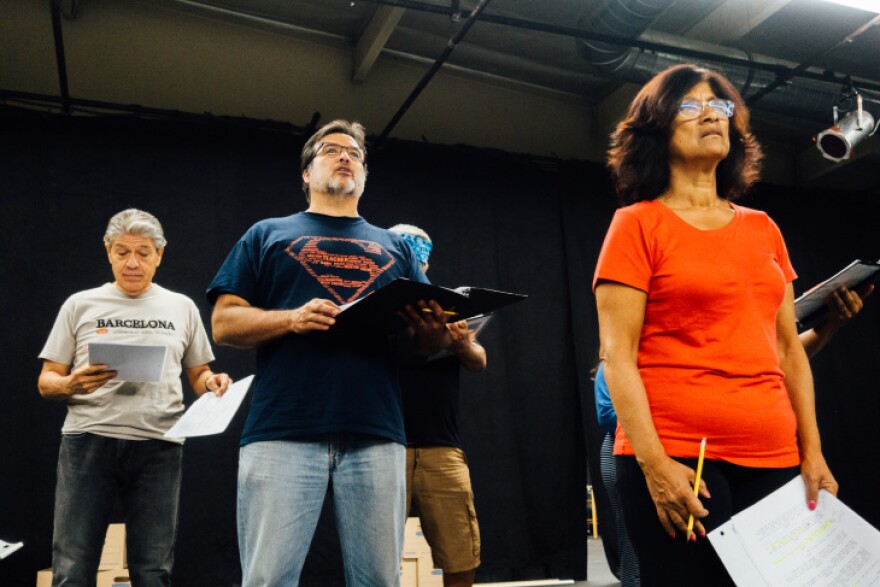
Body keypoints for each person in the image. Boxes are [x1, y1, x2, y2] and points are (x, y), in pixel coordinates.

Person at [593, 63, 838, 585]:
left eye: (721, 106)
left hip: (772, 454)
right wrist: (655, 467)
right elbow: (617, 356)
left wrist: (812, 454)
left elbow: (788, 349)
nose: (712, 115)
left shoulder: (764, 228)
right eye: (691, 105)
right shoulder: (636, 225)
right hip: (680, 457)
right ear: (657, 128)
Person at [208, 120, 451, 586]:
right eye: (331, 150)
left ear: (364, 174)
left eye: (355, 154)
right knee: (268, 578)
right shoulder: (267, 234)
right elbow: (223, 323)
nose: (345, 157)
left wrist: (437, 332)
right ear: (305, 172)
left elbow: (425, 343)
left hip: (376, 431)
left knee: (379, 580)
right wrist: (291, 318)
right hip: (283, 428)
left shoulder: (395, 246)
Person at [591, 284, 870, 587]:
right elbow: (609, 413)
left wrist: (828, 325)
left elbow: (783, 360)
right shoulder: (637, 355)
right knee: (643, 562)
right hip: (649, 449)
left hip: (721, 455)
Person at [38, 208, 231, 587]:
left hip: (158, 446)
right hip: (88, 441)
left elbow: (198, 373)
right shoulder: (80, 304)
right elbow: (46, 381)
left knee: (153, 570)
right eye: (122, 252)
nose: (132, 263)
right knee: (72, 567)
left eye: (143, 253)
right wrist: (71, 384)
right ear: (108, 251)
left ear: (160, 254)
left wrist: (212, 383)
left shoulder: (182, 307)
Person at [390, 223, 486, 587]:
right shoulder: (376, 308)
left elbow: (479, 361)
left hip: (441, 446)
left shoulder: (447, 309)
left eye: (422, 258)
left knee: (460, 550)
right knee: (374, 551)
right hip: (386, 445)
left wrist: (460, 344)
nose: (418, 264)